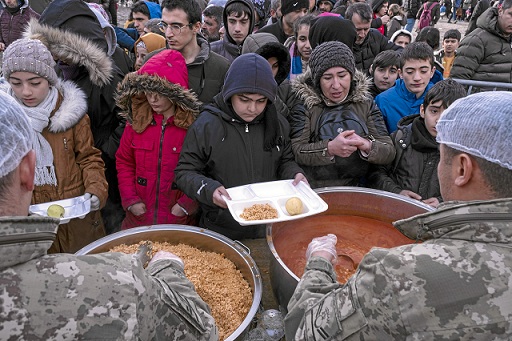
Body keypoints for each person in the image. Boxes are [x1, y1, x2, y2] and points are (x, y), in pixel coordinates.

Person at [284, 90, 512, 340]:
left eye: (443, 157)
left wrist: (318, 261)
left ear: (462, 168)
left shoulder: (398, 273)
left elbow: (306, 330)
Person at [0, 91, 218, 341]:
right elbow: (202, 331)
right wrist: (167, 267)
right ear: (30, 169)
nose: (27, 91)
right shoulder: (111, 280)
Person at [174, 53, 307, 240]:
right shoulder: (207, 125)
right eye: (244, 100)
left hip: (270, 224)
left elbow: (285, 160)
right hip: (221, 226)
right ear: (230, 93)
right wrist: (209, 189)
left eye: (261, 101)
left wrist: (295, 174)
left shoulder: (277, 123)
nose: (253, 108)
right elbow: (185, 172)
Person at [1, 38, 108, 253]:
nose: (26, 92)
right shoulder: (6, 118)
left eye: (34, 82)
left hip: (76, 218)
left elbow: (89, 157)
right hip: (31, 224)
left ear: (49, 79)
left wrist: (96, 189)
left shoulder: (70, 114)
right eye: (16, 82)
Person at [33, 0, 126, 233]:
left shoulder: (106, 75)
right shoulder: (56, 70)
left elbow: (130, 118)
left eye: (60, 49)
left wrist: (105, 148)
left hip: (104, 163)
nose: (55, 55)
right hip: (72, 162)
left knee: (106, 215)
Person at [289, 41, 395, 188]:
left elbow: (388, 150)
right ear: (317, 80)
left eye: (342, 75)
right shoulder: (305, 105)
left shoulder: (365, 102)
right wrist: (329, 148)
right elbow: (297, 150)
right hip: (315, 186)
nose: (336, 85)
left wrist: (366, 145)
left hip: (358, 185)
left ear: (351, 75)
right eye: (327, 78)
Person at [116, 50, 199, 229]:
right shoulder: (136, 122)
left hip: (177, 221)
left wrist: (186, 205)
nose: (152, 98)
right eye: (148, 91)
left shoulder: (192, 128)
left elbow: (203, 168)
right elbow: (124, 161)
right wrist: (130, 199)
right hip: (138, 219)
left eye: (159, 93)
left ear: (174, 92)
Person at [368, 79, 466, 208]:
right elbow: (375, 173)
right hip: (397, 212)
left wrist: (443, 201)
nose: (439, 120)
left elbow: (471, 188)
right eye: (434, 111)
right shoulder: (401, 139)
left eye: (449, 114)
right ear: (422, 110)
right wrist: (397, 193)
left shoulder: (465, 149)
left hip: (438, 220)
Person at [155, 0, 230, 105]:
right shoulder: (152, 61)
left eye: (176, 26)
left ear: (196, 27)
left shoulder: (221, 67)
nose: (168, 34)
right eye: (164, 25)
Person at [375, 42, 436, 133]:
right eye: (410, 72)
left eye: (423, 71)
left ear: (432, 72)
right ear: (400, 73)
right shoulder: (383, 101)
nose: (417, 78)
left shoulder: (439, 98)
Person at [450, 0, 512, 83]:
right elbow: (458, 81)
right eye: (511, 14)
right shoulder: (476, 40)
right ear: (500, 11)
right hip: (480, 94)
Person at [346, 2, 402, 74]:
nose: (362, 34)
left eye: (366, 29)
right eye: (358, 29)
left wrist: (383, 62)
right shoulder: (341, 41)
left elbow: (400, 51)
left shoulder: (375, 36)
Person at [285, 14, 313, 80]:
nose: (308, 46)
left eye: (312, 39)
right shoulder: (285, 61)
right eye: (302, 39)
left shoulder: (325, 62)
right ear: (296, 40)